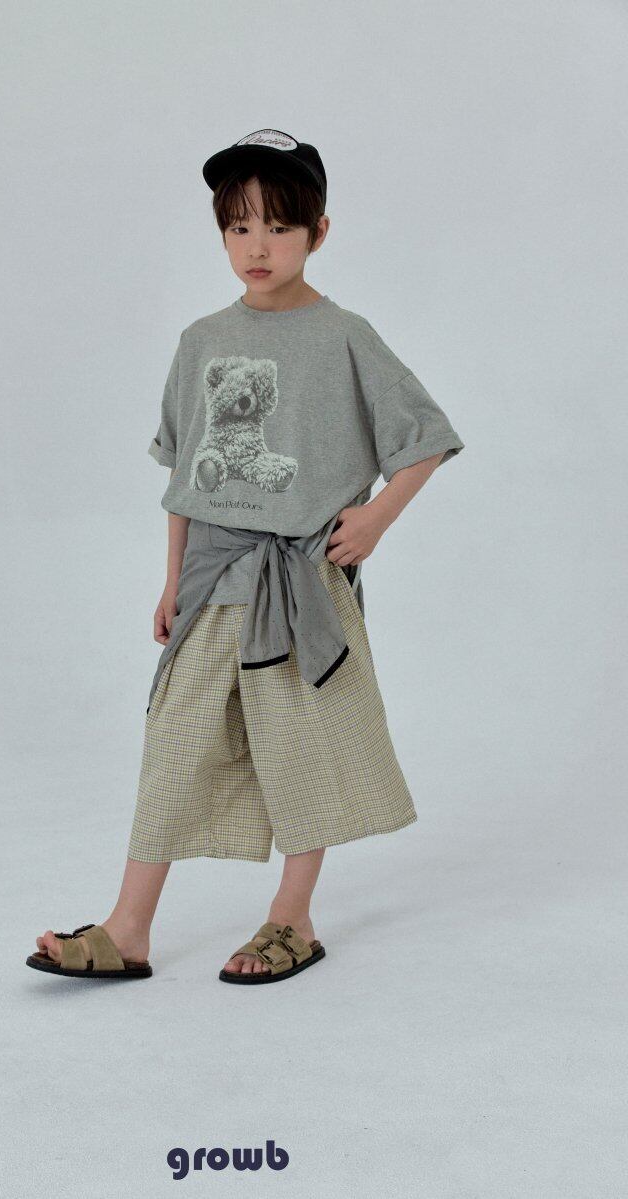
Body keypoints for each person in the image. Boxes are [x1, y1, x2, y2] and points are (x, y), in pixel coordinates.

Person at [26, 128, 465, 985]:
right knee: (174, 743)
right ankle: (128, 928)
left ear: (318, 232)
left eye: (278, 226)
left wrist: (376, 519)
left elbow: (426, 438)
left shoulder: (345, 336)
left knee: (301, 747)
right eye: (238, 227)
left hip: (301, 584)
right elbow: (184, 477)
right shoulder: (200, 341)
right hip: (212, 579)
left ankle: (292, 918)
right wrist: (172, 580)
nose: (257, 246)